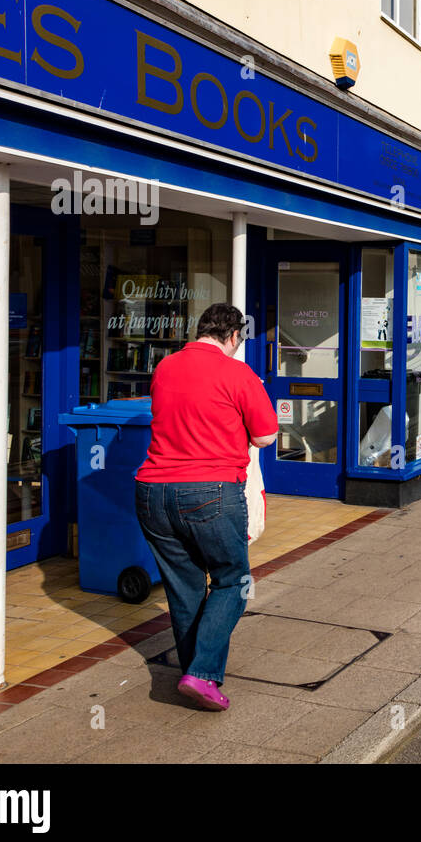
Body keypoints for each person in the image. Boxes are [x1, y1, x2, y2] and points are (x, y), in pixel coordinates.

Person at [135, 303, 278, 712]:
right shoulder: (237, 373)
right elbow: (267, 436)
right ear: (233, 337)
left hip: (152, 491)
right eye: (239, 342)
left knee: (185, 587)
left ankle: (194, 673)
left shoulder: (164, 368)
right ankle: (201, 674)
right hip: (210, 491)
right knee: (233, 580)